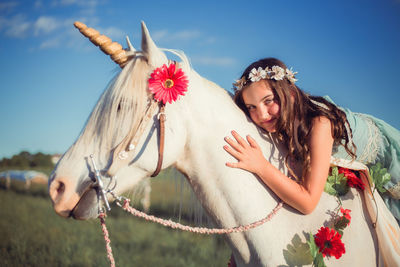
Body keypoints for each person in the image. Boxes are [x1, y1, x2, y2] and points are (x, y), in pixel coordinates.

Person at [224, 57, 400, 224]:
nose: (262, 114)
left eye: (268, 101)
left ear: (291, 94)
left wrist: (261, 166)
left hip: (390, 167)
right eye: (251, 107)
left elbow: (308, 202)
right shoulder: (280, 123)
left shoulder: (320, 124)